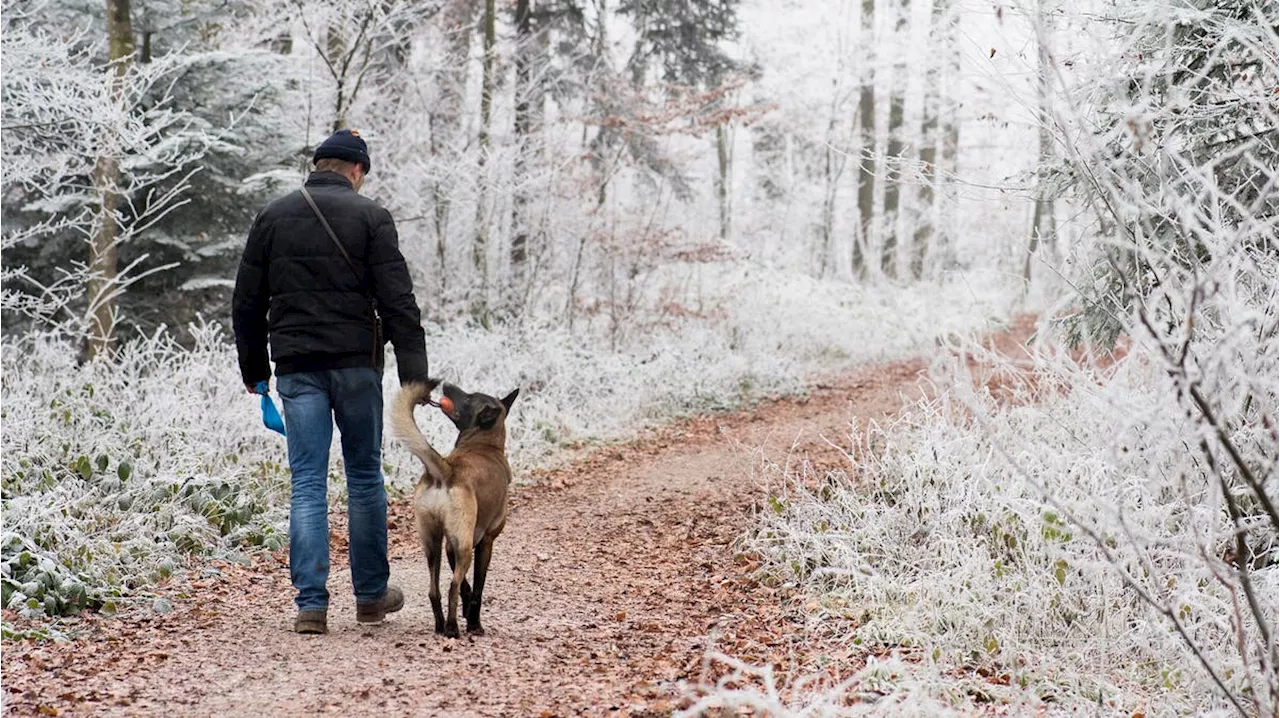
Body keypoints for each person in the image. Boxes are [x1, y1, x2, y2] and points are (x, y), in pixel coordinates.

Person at [232, 129, 429, 635]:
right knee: (364, 477)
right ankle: (369, 596)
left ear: (318, 164)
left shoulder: (273, 216)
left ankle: (311, 605)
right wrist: (415, 382)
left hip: (297, 368)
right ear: (357, 171)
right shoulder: (372, 217)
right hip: (358, 368)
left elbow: (247, 304)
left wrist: (255, 372)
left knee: (307, 484)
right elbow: (399, 304)